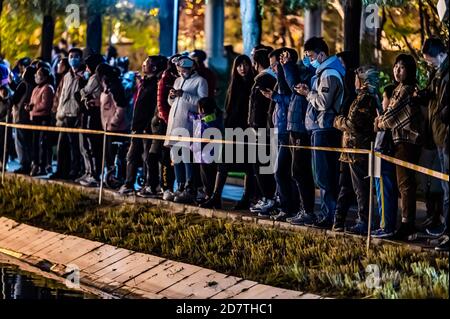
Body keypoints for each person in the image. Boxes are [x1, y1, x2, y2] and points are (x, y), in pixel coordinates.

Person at [295, 37, 345, 229]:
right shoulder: (323, 72)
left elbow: (323, 103)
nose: (309, 60)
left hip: (325, 129)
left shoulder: (329, 73)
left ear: (322, 54)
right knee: (324, 175)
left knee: (325, 176)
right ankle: (329, 214)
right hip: (321, 128)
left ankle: (330, 216)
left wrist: (307, 94)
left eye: (311, 56)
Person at [375, 54, 422, 240]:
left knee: (405, 184)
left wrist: (379, 122)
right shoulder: (398, 89)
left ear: (409, 70)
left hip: (406, 141)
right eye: (395, 66)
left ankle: (407, 224)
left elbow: (390, 117)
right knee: (402, 183)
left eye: (401, 67)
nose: (396, 70)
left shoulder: (406, 90)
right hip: (399, 141)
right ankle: (405, 222)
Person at [200, 55, 256, 210]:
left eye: (245, 65)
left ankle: (246, 198)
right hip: (232, 131)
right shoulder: (233, 86)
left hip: (248, 132)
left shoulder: (253, 84)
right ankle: (215, 197)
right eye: (239, 65)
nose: (242, 68)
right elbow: (228, 109)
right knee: (223, 165)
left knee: (248, 167)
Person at [333, 65, 380, 235]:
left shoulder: (365, 99)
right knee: (347, 187)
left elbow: (352, 124)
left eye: (356, 78)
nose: (353, 82)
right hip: (350, 152)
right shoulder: (361, 97)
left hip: (358, 151)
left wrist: (338, 121)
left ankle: (364, 222)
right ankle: (339, 221)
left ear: (362, 81)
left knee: (361, 189)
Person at [118, 55, 167, 195]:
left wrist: (147, 126)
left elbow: (151, 108)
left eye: (146, 63)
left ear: (154, 67)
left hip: (146, 128)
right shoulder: (147, 82)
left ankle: (136, 184)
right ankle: (144, 184)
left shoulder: (156, 84)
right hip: (138, 126)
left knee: (139, 156)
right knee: (137, 156)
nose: (143, 65)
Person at [164, 56, 208, 204]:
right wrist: (171, 97)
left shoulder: (200, 81)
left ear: (191, 68)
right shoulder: (177, 81)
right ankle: (180, 185)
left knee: (187, 156)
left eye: (182, 70)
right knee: (175, 156)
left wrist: (184, 94)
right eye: (178, 70)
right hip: (175, 124)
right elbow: (173, 103)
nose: (180, 73)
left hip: (189, 125)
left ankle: (190, 188)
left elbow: (203, 103)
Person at [420, 37, 448, 239]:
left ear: (440, 54)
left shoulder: (446, 74)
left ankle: (447, 229)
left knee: (447, 185)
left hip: (446, 135)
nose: (429, 63)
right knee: (444, 185)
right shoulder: (438, 73)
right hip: (438, 134)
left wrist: (441, 113)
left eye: (430, 60)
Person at [247, 48, 277, 217]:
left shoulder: (263, 79)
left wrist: (255, 126)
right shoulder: (270, 78)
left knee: (261, 166)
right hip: (265, 129)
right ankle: (268, 198)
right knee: (264, 165)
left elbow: (258, 107)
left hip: (262, 130)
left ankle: (268, 198)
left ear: (256, 63)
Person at [53, 47, 86, 180]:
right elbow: (61, 96)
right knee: (62, 146)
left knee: (74, 147)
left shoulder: (83, 76)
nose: (73, 59)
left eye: (76, 56)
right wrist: (58, 113)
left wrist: (80, 115)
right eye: (71, 56)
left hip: (75, 115)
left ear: (81, 58)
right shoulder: (66, 76)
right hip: (64, 114)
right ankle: (61, 170)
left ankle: (74, 170)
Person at [371, 84, 399, 238]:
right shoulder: (384, 115)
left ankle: (386, 226)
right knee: (383, 192)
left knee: (384, 192)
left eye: (384, 98)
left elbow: (381, 131)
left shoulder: (389, 116)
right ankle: (386, 225)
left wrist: (379, 121)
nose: (383, 102)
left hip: (383, 156)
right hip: (380, 155)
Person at [97, 63, 130, 183]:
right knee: (109, 155)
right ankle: (111, 178)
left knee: (116, 155)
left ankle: (118, 178)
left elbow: (121, 107)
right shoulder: (106, 87)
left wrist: (113, 123)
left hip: (117, 128)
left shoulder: (115, 87)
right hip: (107, 128)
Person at [77, 54, 105, 187]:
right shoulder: (97, 77)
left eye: (88, 66)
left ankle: (94, 174)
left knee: (91, 146)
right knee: (87, 146)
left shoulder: (95, 78)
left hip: (93, 115)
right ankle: (89, 172)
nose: (86, 69)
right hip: (91, 113)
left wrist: (81, 85)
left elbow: (84, 92)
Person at [155, 55, 180, 201]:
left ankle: (182, 186)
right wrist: (169, 121)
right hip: (167, 125)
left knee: (179, 157)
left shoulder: (183, 78)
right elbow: (161, 105)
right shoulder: (166, 79)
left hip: (182, 125)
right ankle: (166, 186)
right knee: (166, 157)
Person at [189, 97, 223, 199]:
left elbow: (201, 138)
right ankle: (209, 196)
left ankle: (208, 197)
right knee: (209, 177)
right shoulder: (211, 117)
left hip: (206, 156)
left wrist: (192, 146)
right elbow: (195, 117)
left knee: (207, 178)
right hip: (210, 155)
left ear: (202, 109)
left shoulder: (207, 122)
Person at [27, 67, 54, 176]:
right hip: (35, 119)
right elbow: (32, 102)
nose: (36, 76)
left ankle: (42, 166)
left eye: (38, 74)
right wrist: (29, 107)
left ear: (45, 76)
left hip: (43, 119)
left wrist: (33, 107)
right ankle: (35, 164)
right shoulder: (36, 88)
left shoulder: (48, 88)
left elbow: (45, 105)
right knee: (35, 144)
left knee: (42, 143)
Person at [11, 66, 36, 174]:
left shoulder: (23, 84)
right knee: (28, 142)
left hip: (20, 117)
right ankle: (29, 163)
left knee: (20, 142)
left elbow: (14, 98)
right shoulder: (34, 85)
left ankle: (24, 164)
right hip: (29, 117)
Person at [0, 65, 13, 170]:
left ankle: (3, 163)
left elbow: (6, 99)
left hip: (4, 120)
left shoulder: (4, 89)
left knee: (4, 142)